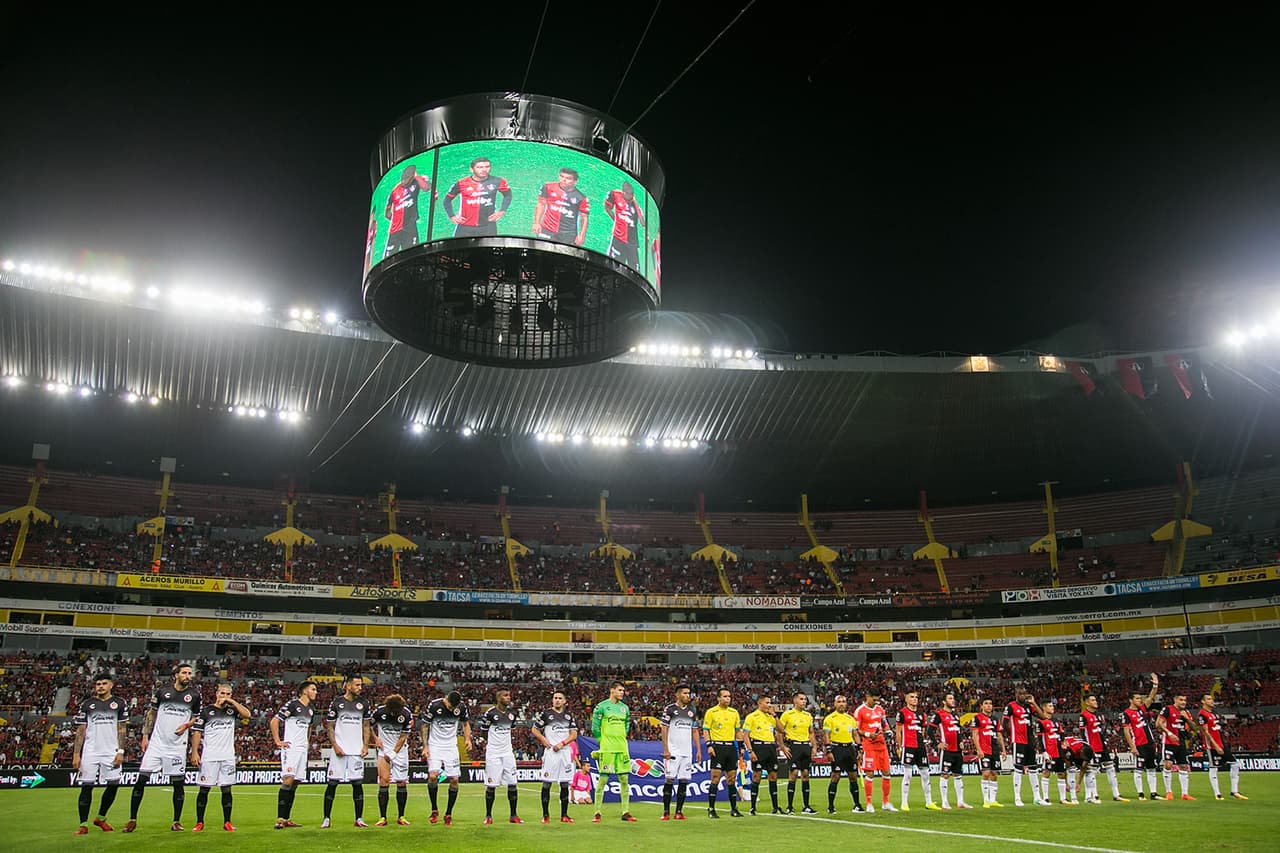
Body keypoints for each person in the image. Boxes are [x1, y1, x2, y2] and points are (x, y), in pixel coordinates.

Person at [124, 662, 201, 833]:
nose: (188, 676)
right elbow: (151, 713)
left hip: (177, 746)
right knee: (141, 780)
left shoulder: (194, 695)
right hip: (157, 744)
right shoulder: (162, 692)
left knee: (178, 784)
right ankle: (132, 819)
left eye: (190, 673)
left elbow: (198, 718)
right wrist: (145, 735)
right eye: (184, 673)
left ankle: (176, 821)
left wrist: (187, 725)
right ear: (176, 675)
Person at [189, 682, 250, 832]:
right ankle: (199, 822)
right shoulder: (207, 711)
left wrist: (232, 702)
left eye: (228, 694)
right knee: (204, 789)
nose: (225, 696)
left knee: (226, 789)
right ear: (217, 694)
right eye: (222, 693)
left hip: (227, 756)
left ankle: (227, 822)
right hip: (210, 756)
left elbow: (247, 715)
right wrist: (195, 752)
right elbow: (197, 732)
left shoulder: (232, 710)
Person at [72, 672, 127, 834]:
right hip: (91, 752)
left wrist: (121, 751)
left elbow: (122, 729)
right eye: (98, 684)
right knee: (87, 787)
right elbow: (81, 730)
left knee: (113, 785)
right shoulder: (87, 704)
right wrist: (76, 754)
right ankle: (83, 825)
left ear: (111, 685)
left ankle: (101, 818)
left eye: (104, 683)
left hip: (111, 752)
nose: (100, 686)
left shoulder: (119, 703)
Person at [321, 674, 372, 829]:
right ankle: (326, 818)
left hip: (356, 751)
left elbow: (366, 726)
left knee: (357, 784)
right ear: (348, 686)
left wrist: (365, 745)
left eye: (361, 685)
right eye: (357, 685)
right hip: (340, 750)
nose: (360, 688)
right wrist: (335, 745)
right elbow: (330, 726)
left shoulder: (364, 703)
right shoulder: (337, 703)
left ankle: (359, 818)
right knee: (332, 783)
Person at [420, 690, 472, 825]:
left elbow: (465, 724)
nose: (451, 709)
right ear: (446, 699)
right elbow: (425, 725)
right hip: (435, 745)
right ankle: (434, 809)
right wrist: (425, 746)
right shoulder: (434, 706)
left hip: (451, 747)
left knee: (454, 779)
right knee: (433, 776)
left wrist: (468, 739)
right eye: (449, 706)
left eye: (453, 708)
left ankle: (448, 813)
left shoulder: (460, 707)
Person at [271, 680, 318, 829]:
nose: (316, 692)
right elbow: (274, 721)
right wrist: (278, 741)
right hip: (291, 748)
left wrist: (307, 742)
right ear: (305, 691)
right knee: (288, 780)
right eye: (313, 689)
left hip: (302, 749)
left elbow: (309, 728)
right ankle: (279, 819)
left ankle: (286, 818)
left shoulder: (311, 709)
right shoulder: (292, 705)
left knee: (296, 783)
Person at [590, 680, 636, 823]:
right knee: (603, 780)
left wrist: (621, 738)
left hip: (622, 749)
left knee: (624, 780)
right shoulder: (601, 707)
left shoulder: (625, 708)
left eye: (623, 690)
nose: (622, 692)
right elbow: (595, 728)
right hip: (608, 750)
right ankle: (597, 812)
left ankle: (625, 812)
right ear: (612, 690)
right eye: (620, 690)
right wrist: (603, 742)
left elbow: (627, 725)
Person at [531, 689, 579, 824]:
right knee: (547, 784)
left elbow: (574, 734)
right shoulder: (546, 714)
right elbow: (534, 729)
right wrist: (543, 739)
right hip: (551, 753)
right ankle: (545, 815)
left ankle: (564, 815)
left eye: (559, 698)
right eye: (555, 698)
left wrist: (563, 743)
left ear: (564, 701)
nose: (557, 700)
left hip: (564, 752)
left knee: (564, 784)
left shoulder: (568, 716)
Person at [478, 687, 523, 825]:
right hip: (494, 753)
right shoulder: (490, 714)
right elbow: (483, 732)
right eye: (505, 696)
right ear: (498, 698)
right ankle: (488, 816)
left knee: (512, 784)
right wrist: (493, 744)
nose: (508, 698)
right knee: (491, 785)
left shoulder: (512, 713)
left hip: (507, 752)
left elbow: (512, 729)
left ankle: (513, 815)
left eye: (509, 695)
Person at [658, 683, 702, 820]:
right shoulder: (670, 709)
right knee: (669, 780)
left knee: (684, 781)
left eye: (689, 693)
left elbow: (695, 731)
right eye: (684, 693)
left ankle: (679, 812)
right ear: (677, 694)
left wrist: (698, 750)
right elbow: (664, 729)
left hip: (687, 752)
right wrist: (666, 749)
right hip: (673, 752)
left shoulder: (691, 710)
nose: (687, 696)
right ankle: (666, 812)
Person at [369, 693, 414, 826]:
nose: (395, 713)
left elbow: (403, 737)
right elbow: (367, 724)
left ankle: (401, 816)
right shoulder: (379, 712)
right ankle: (383, 817)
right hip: (384, 750)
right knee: (384, 781)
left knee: (401, 782)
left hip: (400, 751)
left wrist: (394, 753)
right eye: (393, 711)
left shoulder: (406, 714)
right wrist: (375, 738)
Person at [443, 157, 512, 238]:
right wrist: (452, 215)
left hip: (488, 226)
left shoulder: (498, 181)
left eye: (487, 167)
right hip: (465, 227)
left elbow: (508, 195)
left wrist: (502, 211)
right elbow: (447, 200)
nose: (484, 170)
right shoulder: (461, 183)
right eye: (480, 167)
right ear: (471, 169)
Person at [1197, 693, 1247, 800]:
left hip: (1221, 743)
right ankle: (1217, 794)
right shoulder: (1202, 714)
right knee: (1214, 768)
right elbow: (1205, 732)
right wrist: (1215, 745)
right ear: (1203, 701)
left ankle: (1234, 791)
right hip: (1211, 746)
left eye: (1211, 699)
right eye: (1208, 699)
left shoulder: (1214, 713)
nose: (1211, 701)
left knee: (1235, 764)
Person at [896, 689, 939, 811]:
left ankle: (929, 802)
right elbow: (898, 732)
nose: (915, 699)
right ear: (906, 699)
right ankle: (904, 803)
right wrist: (900, 746)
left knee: (925, 774)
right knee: (908, 775)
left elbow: (923, 731)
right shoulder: (902, 713)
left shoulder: (922, 714)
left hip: (920, 747)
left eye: (916, 697)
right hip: (908, 746)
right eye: (912, 697)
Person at [702, 687, 742, 818]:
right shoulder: (711, 712)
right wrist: (709, 745)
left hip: (731, 747)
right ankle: (711, 809)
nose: (728, 699)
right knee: (715, 778)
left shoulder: (734, 712)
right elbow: (706, 730)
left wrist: (741, 747)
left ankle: (734, 809)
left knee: (731, 779)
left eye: (729, 696)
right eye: (725, 696)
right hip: (718, 747)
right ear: (718, 698)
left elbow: (738, 731)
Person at [1079, 691, 1126, 803]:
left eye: (1095, 700)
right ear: (1086, 703)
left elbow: (1101, 731)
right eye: (1092, 700)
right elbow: (1082, 733)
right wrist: (1087, 747)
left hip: (1102, 746)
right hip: (1092, 747)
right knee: (1092, 771)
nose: (1095, 702)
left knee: (1111, 768)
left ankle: (1116, 794)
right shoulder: (1083, 716)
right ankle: (1093, 795)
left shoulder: (1099, 715)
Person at [1004, 688, 1047, 806]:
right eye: (1020, 694)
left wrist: (1033, 702)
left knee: (1033, 769)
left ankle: (1037, 797)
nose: (1022, 696)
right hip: (1018, 741)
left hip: (1029, 742)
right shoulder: (1011, 706)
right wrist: (1011, 736)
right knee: (1018, 769)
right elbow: (1005, 723)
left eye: (1024, 694)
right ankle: (1017, 797)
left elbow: (1043, 717)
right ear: (1016, 694)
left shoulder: (1029, 706)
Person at [1120, 674, 1160, 800]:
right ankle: (1141, 794)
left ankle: (1153, 793)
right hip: (1139, 744)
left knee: (1151, 768)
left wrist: (1155, 685)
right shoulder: (1126, 714)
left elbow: (1151, 698)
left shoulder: (1142, 709)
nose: (1140, 700)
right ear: (1131, 700)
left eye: (1140, 698)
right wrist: (1132, 747)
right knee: (1139, 769)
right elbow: (1126, 731)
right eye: (1137, 698)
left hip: (1150, 742)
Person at [821, 694, 863, 814]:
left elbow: (855, 734)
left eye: (843, 701)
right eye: (839, 701)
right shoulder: (830, 718)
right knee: (835, 776)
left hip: (850, 748)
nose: (841, 704)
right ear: (835, 704)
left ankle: (857, 804)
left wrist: (860, 749)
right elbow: (826, 736)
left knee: (853, 777)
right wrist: (828, 750)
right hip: (837, 748)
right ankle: (830, 806)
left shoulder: (850, 718)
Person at [854, 689, 894, 813]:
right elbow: (856, 729)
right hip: (868, 745)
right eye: (874, 699)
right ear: (867, 696)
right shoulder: (860, 711)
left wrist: (888, 731)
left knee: (886, 772)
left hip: (881, 744)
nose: (876, 702)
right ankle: (869, 803)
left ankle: (886, 802)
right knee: (870, 774)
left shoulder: (880, 709)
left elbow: (884, 723)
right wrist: (867, 734)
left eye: (877, 700)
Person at [930, 691, 971, 809]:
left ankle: (960, 802)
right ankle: (944, 802)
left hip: (957, 750)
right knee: (945, 775)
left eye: (953, 698)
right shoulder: (939, 714)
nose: (953, 700)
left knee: (958, 775)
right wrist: (938, 743)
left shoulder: (956, 715)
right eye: (950, 698)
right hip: (947, 750)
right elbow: (930, 730)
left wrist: (961, 741)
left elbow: (958, 731)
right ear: (944, 701)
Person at [742, 694, 782, 815]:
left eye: (770, 703)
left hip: (771, 747)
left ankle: (775, 807)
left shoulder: (771, 718)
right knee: (756, 777)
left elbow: (782, 730)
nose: (769, 705)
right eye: (767, 702)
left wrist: (775, 715)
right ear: (760, 703)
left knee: (773, 776)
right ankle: (753, 807)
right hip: (758, 747)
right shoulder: (752, 717)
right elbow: (745, 735)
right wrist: (750, 751)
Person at [779, 691, 818, 814]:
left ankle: (806, 806)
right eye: (801, 699)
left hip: (805, 746)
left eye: (805, 699)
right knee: (794, 774)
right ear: (795, 701)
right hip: (794, 746)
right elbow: (779, 732)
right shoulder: (787, 715)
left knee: (805, 775)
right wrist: (783, 747)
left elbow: (811, 733)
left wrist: (814, 747)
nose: (804, 701)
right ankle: (790, 806)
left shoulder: (808, 716)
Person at [382, 165, 432, 258]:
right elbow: (387, 213)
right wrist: (395, 219)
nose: (404, 181)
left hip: (410, 229)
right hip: (395, 230)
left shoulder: (416, 182)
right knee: (388, 260)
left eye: (407, 179)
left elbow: (426, 188)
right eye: (403, 179)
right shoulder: (394, 191)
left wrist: (417, 176)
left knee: (413, 257)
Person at [533, 167, 589, 245]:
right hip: (547, 230)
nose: (564, 180)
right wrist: (536, 223)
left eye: (568, 178)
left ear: (575, 181)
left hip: (568, 235)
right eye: (561, 176)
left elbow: (584, 218)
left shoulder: (581, 197)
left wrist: (582, 236)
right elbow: (541, 204)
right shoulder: (547, 187)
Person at [1155, 693, 1196, 800]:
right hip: (1169, 742)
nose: (1183, 702)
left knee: (1183, 767)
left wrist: (1187, 719)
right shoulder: (1167, 709)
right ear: (1175, 700)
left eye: (1185, 700)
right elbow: (1158, 724)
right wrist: (1169, 733)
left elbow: (1194, 728)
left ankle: (1185, 794)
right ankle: (1169, 792)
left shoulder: (1185, 712)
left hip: (1181, 743)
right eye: (1181, 699)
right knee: (1168, 765)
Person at [1036, 701, 1074, 806]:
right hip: (1050, 752)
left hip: (1059, 751)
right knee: (1046, 773)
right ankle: (1046, 798)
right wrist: (1044, 752)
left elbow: (1061, 735)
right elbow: (1039, 738)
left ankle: (1063, 798)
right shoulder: (1040, 722)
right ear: (1044, 708)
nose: (1052, 707)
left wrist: (1064, 744)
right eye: (1049, 706)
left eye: (1052, 705)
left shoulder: (1056, 721)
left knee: (1061, 774)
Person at [971, 697, 1006, 808]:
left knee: (994, 774)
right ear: (981, 706)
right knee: (986, 773)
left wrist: (1003, 750)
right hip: (984, 750)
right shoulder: (977, 718)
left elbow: (1000, 735)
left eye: (990, 703)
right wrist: (979, 749)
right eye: (986, 703)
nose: (989, 706)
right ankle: (986, 800)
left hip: (995, 750)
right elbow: (975, 735)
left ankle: (993, 800)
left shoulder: (996, 719)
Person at [603, 182, 646, 267]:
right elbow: (607, 207)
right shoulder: (615, 194)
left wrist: (635, 203)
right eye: (629, 195)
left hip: (632, 242)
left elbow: (643, 223)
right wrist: (615, 219)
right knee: (613, 266)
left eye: (632, 195)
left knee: (634, 269)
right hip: (618, 239)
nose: (631, 197)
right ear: (624, 193)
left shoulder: (635, 204)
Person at [1059, 735, 1094, 802]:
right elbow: (1066, 767)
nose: (1084, 760)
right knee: (1071, 770)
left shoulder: (1088, 749)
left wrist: (1079, 784)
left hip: (1076, 748)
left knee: (1088, 770)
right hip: (1065, 748)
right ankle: (1073, 798)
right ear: (1081, 753)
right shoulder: (1070, 751)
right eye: (1083, 758)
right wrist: (1066, 784)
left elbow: (1083, 768)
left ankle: (1088, 797)